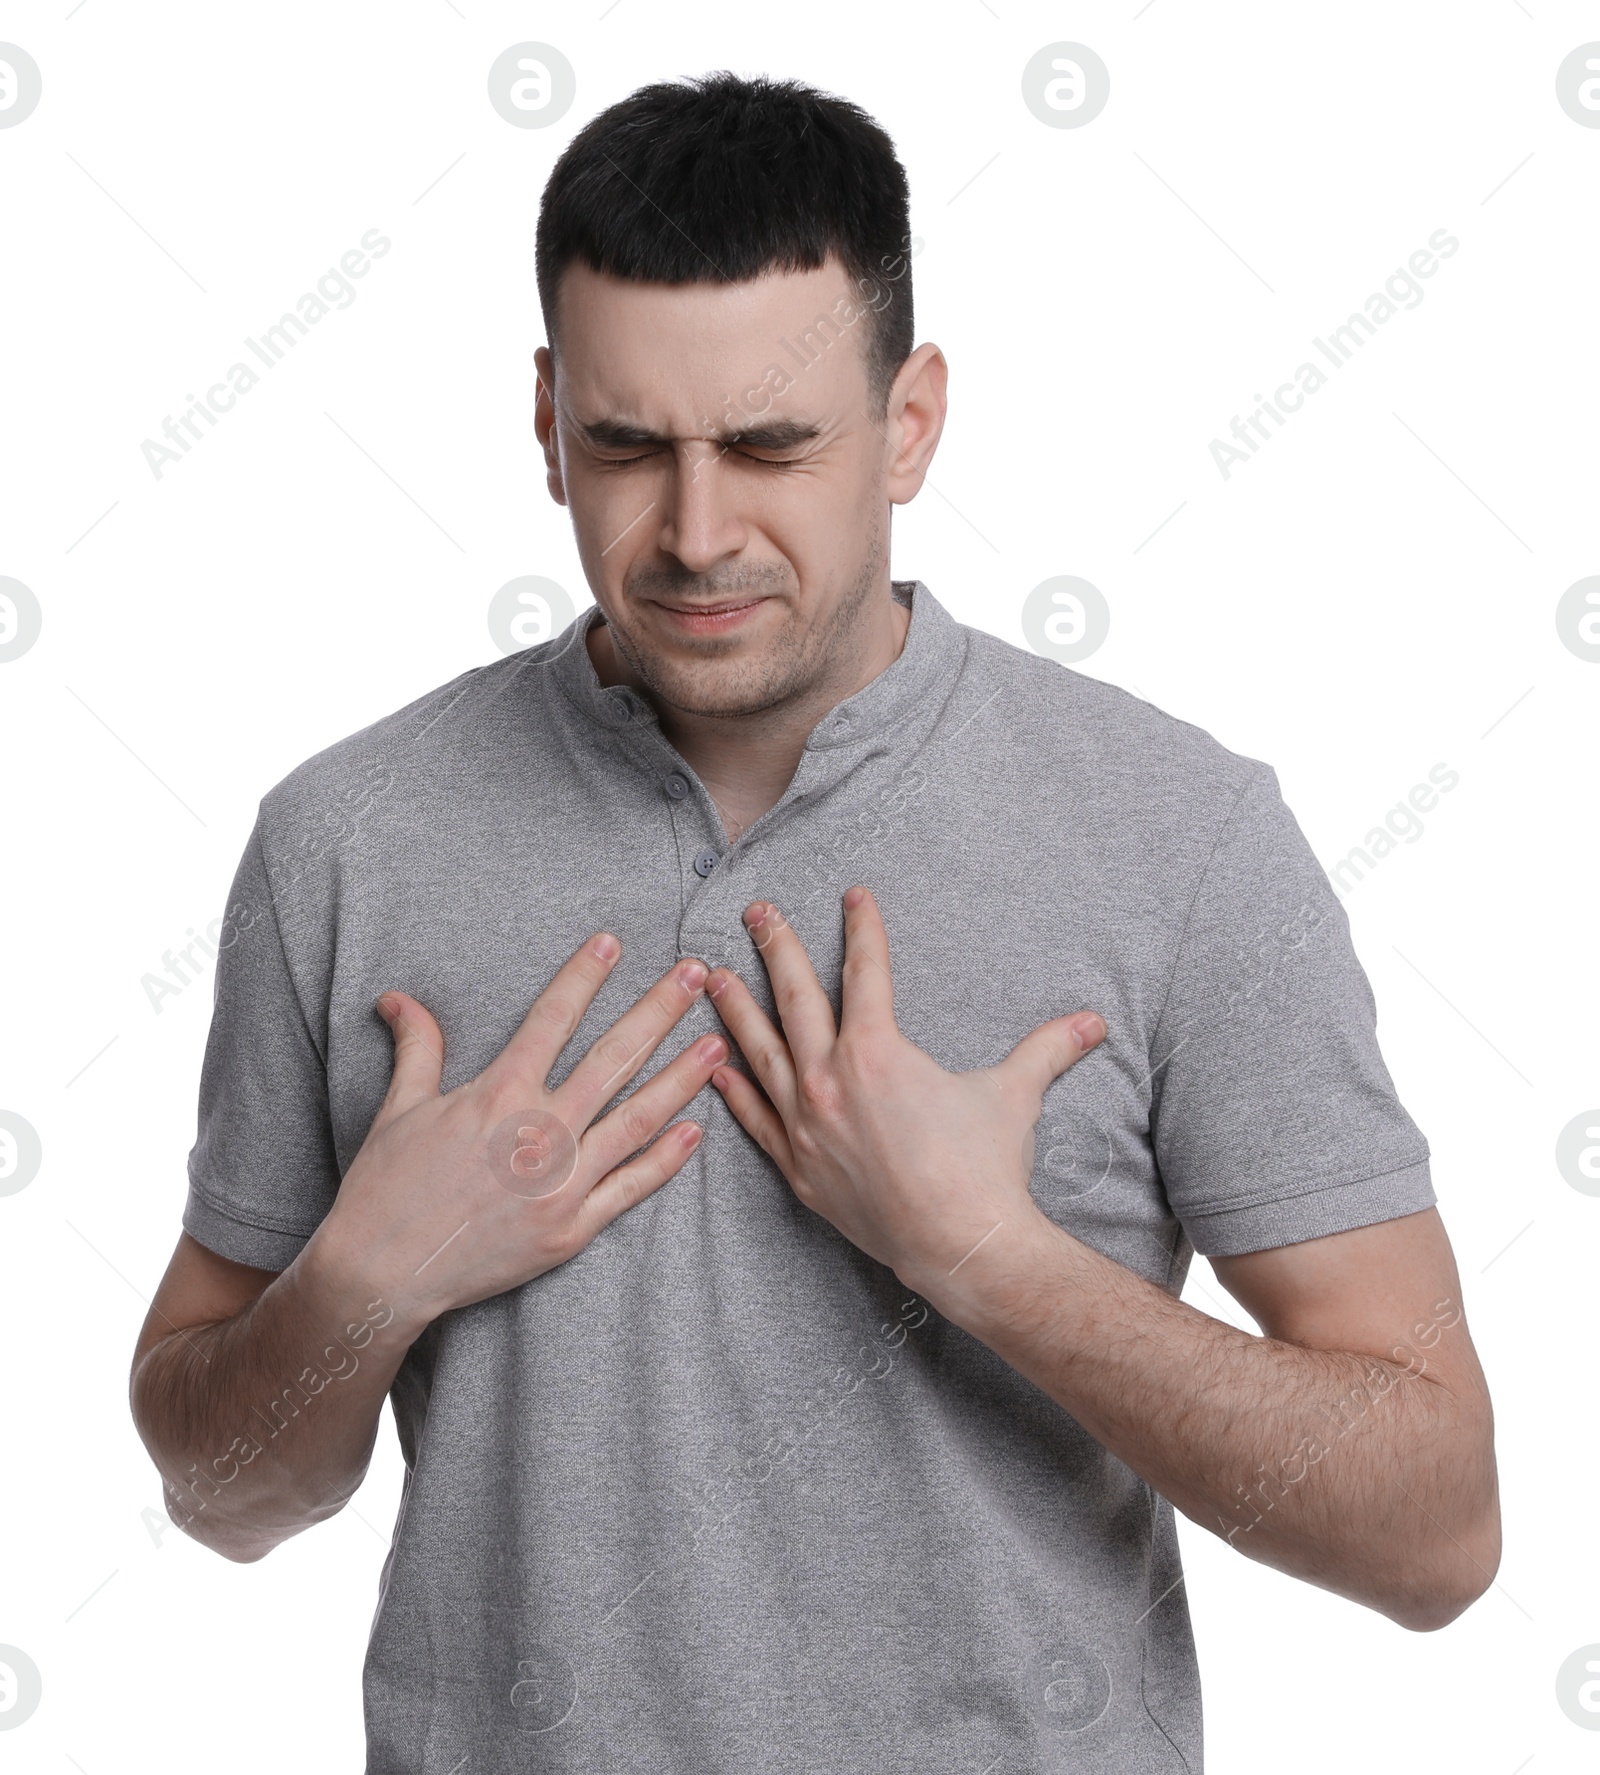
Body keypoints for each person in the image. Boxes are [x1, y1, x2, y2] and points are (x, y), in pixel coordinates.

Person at [129, 70, 1498, 1773]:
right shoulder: (344, 842)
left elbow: (1436, 1535)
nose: (697, 535)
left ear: (911, 421)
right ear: (548, 418)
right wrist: (365, 1279)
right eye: (630, 448)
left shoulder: (1182, 840)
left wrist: (990, 1259)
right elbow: (217, 1494)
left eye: (773, 446)